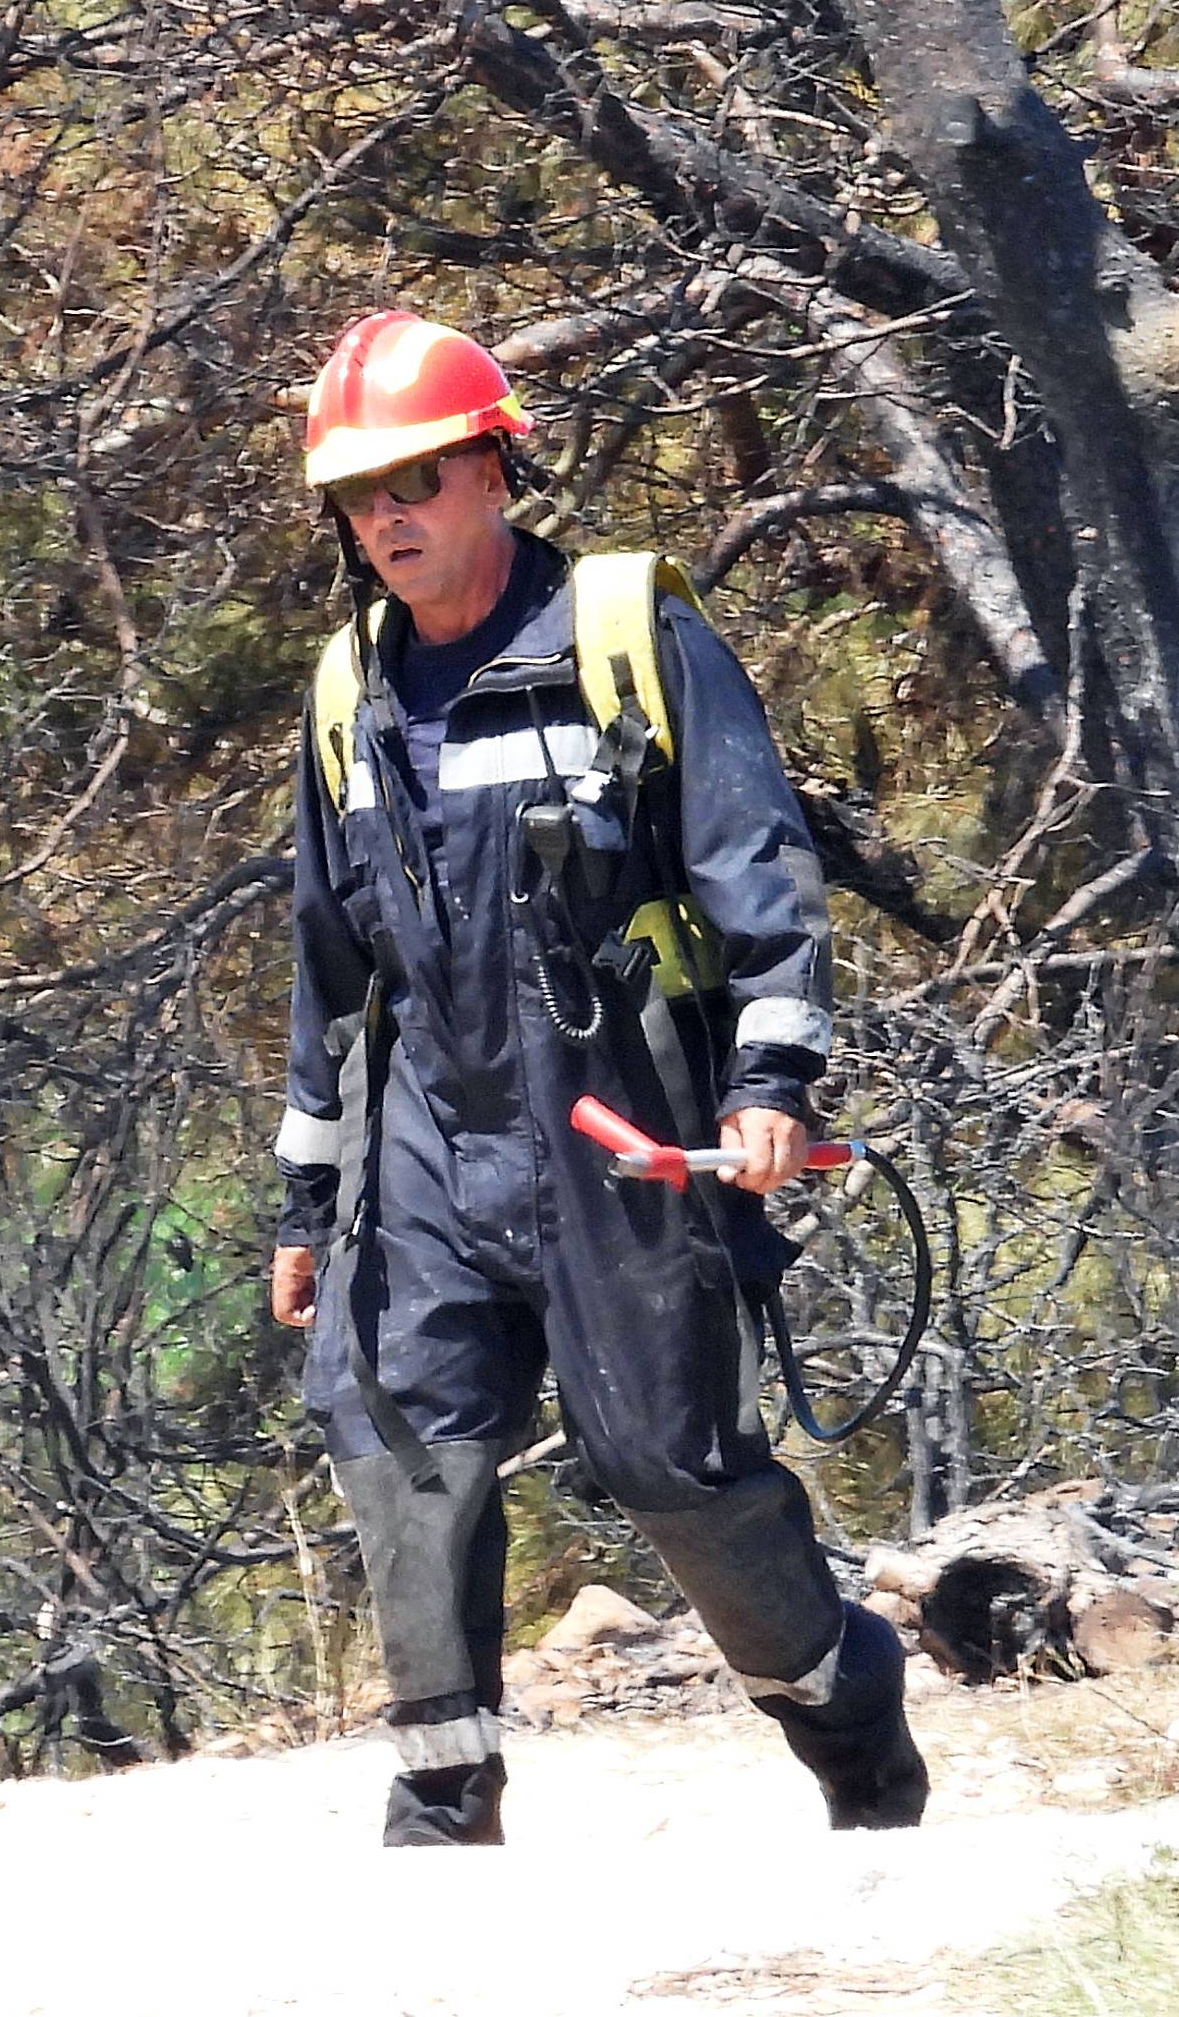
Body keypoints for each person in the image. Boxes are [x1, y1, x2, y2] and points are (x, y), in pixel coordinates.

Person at [267, 311, 927, 1846]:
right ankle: (442, 1804)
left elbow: (756, 862)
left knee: (669, 1467)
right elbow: (325, 958)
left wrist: (775, 1074)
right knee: (400, 1436)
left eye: (421, 478)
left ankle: (846, 1711)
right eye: (363, 495)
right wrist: (309, 1193)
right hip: (428, 1132)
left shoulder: (625, 631)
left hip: (614, 1118)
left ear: (496, 466)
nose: (391, 518)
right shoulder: (348, 693)